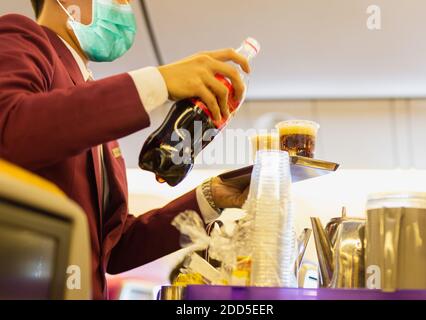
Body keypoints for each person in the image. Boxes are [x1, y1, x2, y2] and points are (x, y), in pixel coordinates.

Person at [0, 0, 251, 299]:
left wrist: (212, 196)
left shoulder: (95, 109)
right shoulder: (22, 35)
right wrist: (159, 81)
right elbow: (10, 128)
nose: (125, 6)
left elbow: (113, 248)